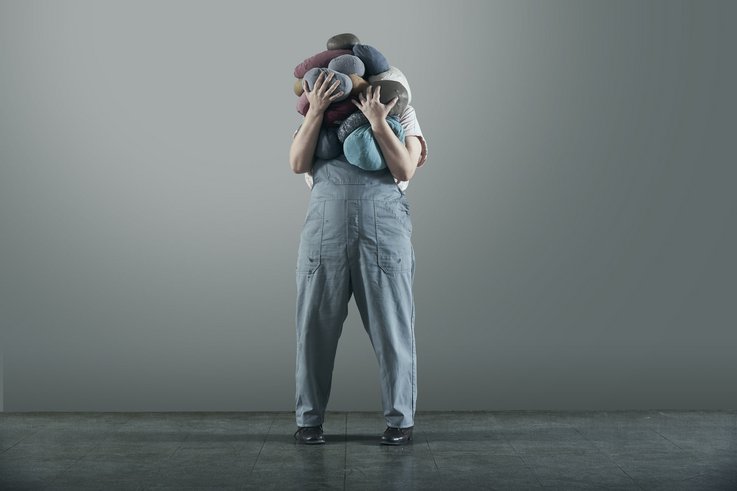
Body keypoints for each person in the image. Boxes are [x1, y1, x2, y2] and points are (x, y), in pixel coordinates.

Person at [289, 70, 427, 445]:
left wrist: (379, 122)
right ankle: (309, 421)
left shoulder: (402, 112)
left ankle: (400, 421)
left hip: (383, 231)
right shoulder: (321, 111)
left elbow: (405, 168)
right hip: (325, 231)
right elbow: (298, 163)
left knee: (392, 328)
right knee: (313, 330)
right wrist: (316, 110)